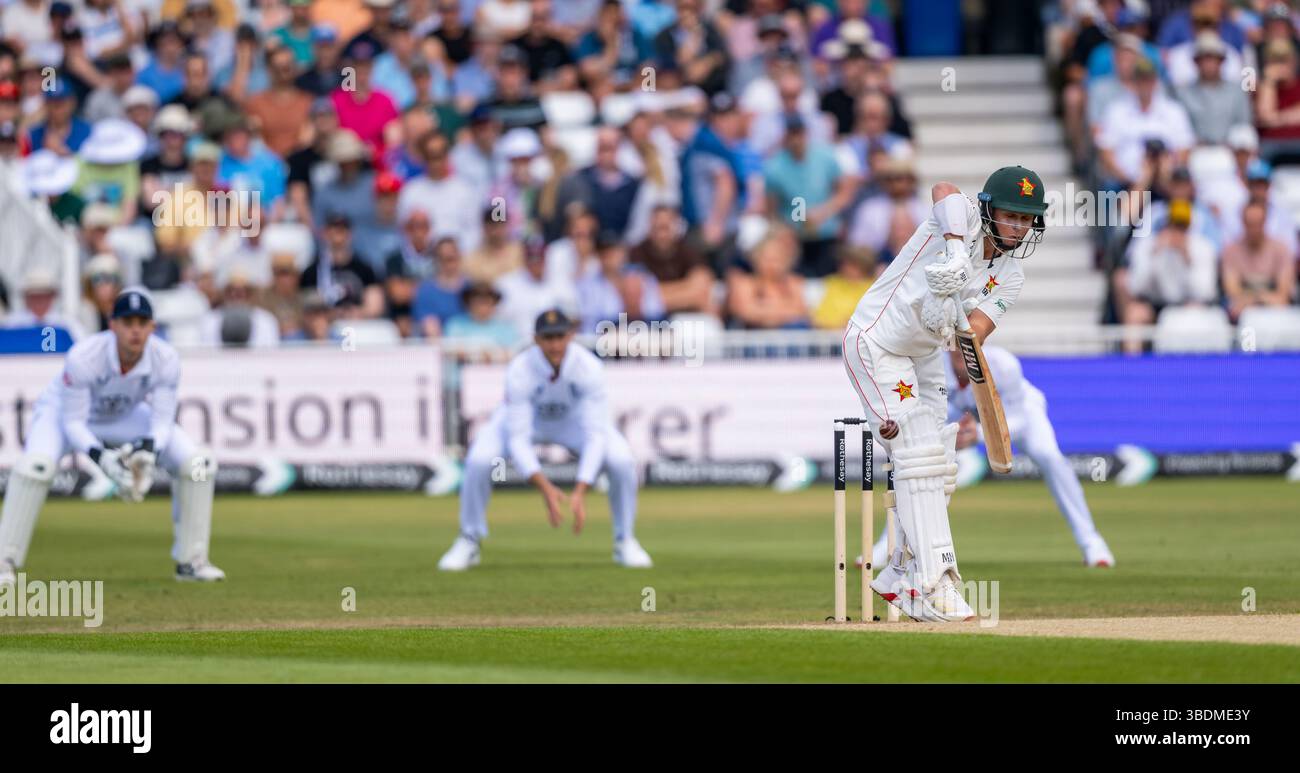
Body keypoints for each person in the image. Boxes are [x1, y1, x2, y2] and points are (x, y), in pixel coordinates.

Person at [841, 165, 1046, 622]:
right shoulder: (963, 219)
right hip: (877, 343)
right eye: (1011, 215)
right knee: (915, 452)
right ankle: (936, 582)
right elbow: (943, 188)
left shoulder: (1011, 277)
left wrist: (945, 312)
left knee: (941, 460)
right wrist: (955, 254)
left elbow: (971, 335)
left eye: (1026, 219)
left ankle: (901, 572)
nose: (1017, 227)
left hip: (927, 354)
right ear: (990, 210)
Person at [0, 289, 224, 585]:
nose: (135, 330)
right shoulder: (84, 356)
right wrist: (102, 457)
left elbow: (162, 418)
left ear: (152, 327)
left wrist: (147, 451)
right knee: (35, 468)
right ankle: (4, 562)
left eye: (142, 323)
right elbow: (74, 422)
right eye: (127, 321)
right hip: (64, 414)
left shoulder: (166, 358)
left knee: (199, 464)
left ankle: (192, 562)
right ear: (112, 324)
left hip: (124, 415)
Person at [437, 308, 653, 570]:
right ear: (536, 339)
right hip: (526, 422)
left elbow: (595, 435)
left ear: (570, 336)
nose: (555, 345)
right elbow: (518, 439)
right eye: (548, 338)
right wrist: (546, 488)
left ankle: (625, 540)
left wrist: (580, 489)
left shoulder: (589, 367)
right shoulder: (520, 369)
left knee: (620, 459)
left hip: (571, 423)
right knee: (479, 461)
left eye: (560, 337)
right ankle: (469, 539)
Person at [864, 345, 1115, 569]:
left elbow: (1019, 418)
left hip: (1020, 418)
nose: (960, 353)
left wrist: (979, 435)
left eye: (966, 345)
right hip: (959, 416)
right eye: (954, 346)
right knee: (920, 463)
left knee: (1051, 458)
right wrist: (945, 435)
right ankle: (889, 545)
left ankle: (1092, 543)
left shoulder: (1003, 364)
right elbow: (925, 410)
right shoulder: (933, 365)